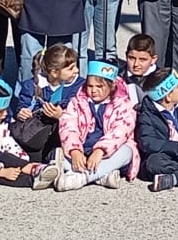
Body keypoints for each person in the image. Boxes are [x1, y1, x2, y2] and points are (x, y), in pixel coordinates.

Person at [48, 58, 138, 190]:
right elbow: (68, 126)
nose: (94, 90)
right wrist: (75, 151)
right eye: (90, 86)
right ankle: (101, 176)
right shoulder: (77, 102)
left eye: (99, 86)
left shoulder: (123, 104)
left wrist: (100, 150)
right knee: (58, 154)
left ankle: (82, 177)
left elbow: (121, 131)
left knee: (127, 152)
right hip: (83, 151)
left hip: (109, 153)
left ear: (112, 86)